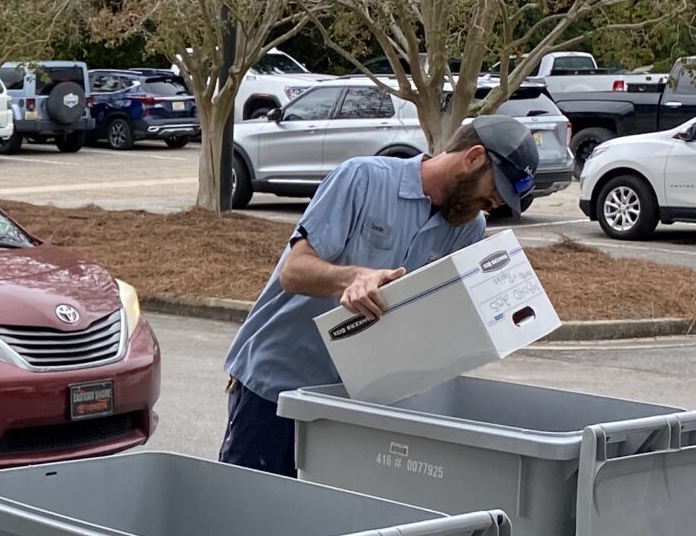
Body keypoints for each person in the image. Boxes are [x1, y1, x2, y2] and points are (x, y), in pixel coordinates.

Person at [218, 115, 542, 476]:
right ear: (473, 157)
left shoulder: (468, 229)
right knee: (249, 505)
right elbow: (294, 272)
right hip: (276, 387)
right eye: (496, 188)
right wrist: (353, 278)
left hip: (351, 403)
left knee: (323, 513)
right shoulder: (363, 178)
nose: (494, 203)